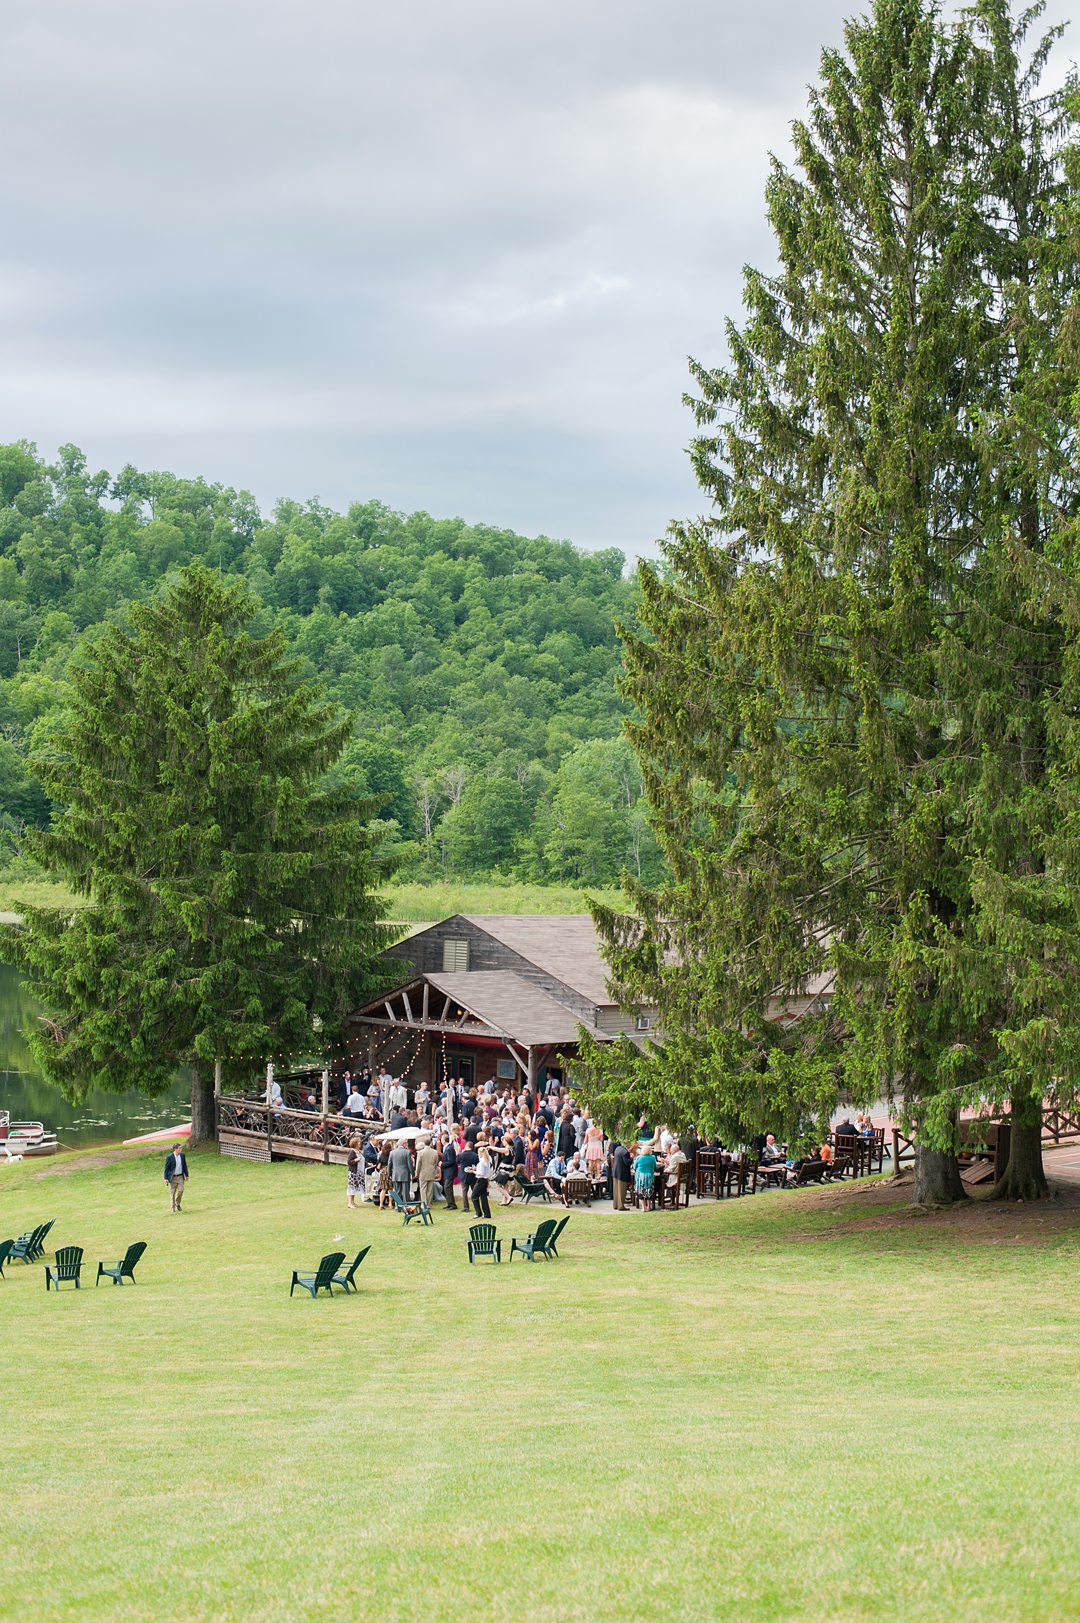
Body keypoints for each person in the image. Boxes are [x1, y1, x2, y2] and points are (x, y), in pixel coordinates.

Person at [164, 1141, 189, 1212]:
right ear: (175, 1149)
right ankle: (172, 1208)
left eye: (181, 1148)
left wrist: (187, 1175)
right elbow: (166, 1168)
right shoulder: (169, 1157)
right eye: (179, 1148)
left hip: (180, 1176)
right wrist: (165, 1178)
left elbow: (184, 1165)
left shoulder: (182, 1155)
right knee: (172, 1192)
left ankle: (177, 1203)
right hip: (172, 1177)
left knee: (181, 1190)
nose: (181, 1149)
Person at [415, 1138, 439, 1210]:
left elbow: (418, 1164)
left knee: (423, 1189)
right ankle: (428, 1204)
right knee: (430, 1189)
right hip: (431, 1172)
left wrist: (417, 1173)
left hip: (423, 1172)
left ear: (424, 1144)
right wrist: (434, 1170)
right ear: (431, 1143)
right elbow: (436, 1163)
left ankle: (424, 1204)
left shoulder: (420, 1153)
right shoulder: (435, 1152)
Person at [389, 1140, 413, 1207]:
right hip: (405, 1174)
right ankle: (406, 1206)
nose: (407, 1144)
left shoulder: (392, 1152)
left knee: (397, 1192)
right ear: (403, 1144)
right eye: (406, 1143)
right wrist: (412, 1173)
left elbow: (389, 1164)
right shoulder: (407, 1152)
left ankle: (397, 1206)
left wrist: (390, 1174)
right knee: (406, 1193)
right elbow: (409, 1164)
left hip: (395, 1175)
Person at [473, 1142, 493, 1219]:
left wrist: (473, 1171)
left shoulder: (482, 1162)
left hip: (481, 1179)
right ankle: (487, 1213)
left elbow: (480, 1173)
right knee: (483, 1197)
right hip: (485, 1179)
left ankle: (478, 1212)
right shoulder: (488, 1160)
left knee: (474, 1196)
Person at [439, 1134, 459, 1210]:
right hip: (447, 1171)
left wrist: (442, 1164)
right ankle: (449, 1203)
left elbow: (451, 1161)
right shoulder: (447, 1148)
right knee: (447, 1187)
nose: (441, 1141)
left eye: (441, 1140)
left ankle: (452, 1204)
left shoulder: (449, 1148)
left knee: (447, 1187)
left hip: (450, 1171)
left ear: (444, 1140)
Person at [346, 1135, 366, 1209]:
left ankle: (353, 1202)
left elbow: (362, 1160)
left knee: (355, 1188)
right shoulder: (352, 1152)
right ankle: (350, 1203)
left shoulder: (359, 1151)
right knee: (351, 1187)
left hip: (359, 1172)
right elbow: (349, 1162)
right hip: (353, 1173)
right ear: (355, 1144)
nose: (360, 1144)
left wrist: (367, 1164)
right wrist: (355, 1160)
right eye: (359, 1143)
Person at [611, 1140, 632, 1210]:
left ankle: (615, 1205)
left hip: (615, 1172)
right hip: (622, 1173)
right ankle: (621, 1206)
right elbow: (627, 1162)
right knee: (622, 1191)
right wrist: (632, 1158)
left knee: (616, 1190)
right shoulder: (625, 1152)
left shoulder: (618, 1148)